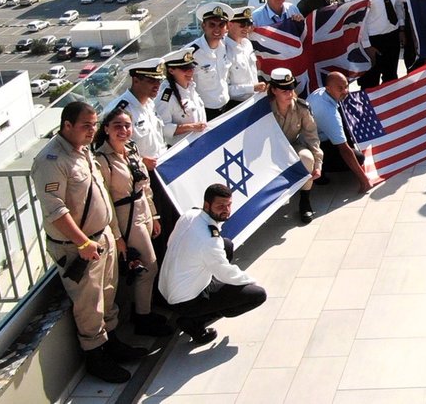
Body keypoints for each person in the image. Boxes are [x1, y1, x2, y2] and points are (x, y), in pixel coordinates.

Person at [32, 102, 148, 383]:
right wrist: (83, 243)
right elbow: (55, 210)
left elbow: (100, 195)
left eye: (94, 125)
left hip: (102, 238)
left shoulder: (83, 152)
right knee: (89, 305)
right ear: (66, 125)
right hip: (79, 248)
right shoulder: (52, 160)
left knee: (107, 295)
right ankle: (96, 357)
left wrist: (113, 234)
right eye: (86, 125)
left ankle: (111, 344)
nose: (92, 131)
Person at [93, 107, 171, 338]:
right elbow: (105, 201)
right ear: (106, 129)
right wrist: (117, 236)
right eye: (118, 126)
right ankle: (142, 318)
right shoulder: (102, 160)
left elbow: (144, 187)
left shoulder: (132, 150)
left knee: (143, 267)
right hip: (126, 219)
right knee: (148, 266)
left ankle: (143, 312)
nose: (124, 130)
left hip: (143, 212)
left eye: (127, 126)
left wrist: (154, 215)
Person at [159, 183, 267, 345]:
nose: (226, 209)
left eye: (229, 205)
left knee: (227, 244)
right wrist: (251, 280)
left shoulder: (190, 215)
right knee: (257, 295)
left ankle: (205, 305)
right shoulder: (209, 240)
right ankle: (194, 321)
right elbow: (226, 273)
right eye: (220, 206)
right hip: (186, 301)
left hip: (167, 288)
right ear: (207, 205)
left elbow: (171, 243)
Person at [307, 71, 380, 194]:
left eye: (346, 86)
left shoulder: (320, 92)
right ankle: (317, 169)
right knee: (359, 158)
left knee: (343, 125)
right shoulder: (328, 113)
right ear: (328, 89)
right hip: (312, 146)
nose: (345, 91)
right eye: (340, 88)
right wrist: (364, 181)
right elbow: (343, 149)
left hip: (316, 135)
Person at [266, 69, 323, 225]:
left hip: (292, 145)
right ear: (274, 90)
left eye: (291, 88)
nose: (290, 93)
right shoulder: (264, 110)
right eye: (284, 90)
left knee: (307, 158)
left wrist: (318, 164)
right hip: (268, 152)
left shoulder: (302, 108)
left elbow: (312, 137)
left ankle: (304, 201)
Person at [347, 0, 405, 88]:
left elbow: (398, 4)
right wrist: (367, 46)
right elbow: (359, 21)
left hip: (392, 36)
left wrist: (402, 28)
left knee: (391, 78)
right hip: (373, 40)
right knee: (370, 82)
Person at [104, 58, 168, 170]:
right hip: (138, 170)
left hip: (161, 164)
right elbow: (110, 149)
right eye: (151, 81)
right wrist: (141, 161)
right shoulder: (118, 110)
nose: (157, 85)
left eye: (159, 81)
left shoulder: (150, 104)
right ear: (136, 80)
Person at [190, 2, 234, 120]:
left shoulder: (226, 45)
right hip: (206, 112)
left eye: (221, 25)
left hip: (226, 106)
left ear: (227, 27)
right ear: (203, 26)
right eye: (212, 25)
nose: (217, 29)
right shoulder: (191, 53)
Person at [156, 47, 207, 145]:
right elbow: (162, 129)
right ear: (171, 71)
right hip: (182, 149)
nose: (190, 72)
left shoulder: (191, 87)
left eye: (191, 68)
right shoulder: (166, 97)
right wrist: (191, 127)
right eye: (185, 69)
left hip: (199, 143)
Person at [226, 6, 268, 107]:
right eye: (242, 24)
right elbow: (225, 89)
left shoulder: (247, 43)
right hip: (236, 105)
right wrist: (252, 88)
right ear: (230, 25)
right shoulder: (223, 50)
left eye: (249, 24)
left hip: (254, 99)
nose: (247, 28)